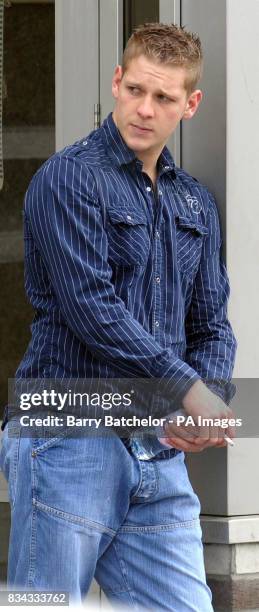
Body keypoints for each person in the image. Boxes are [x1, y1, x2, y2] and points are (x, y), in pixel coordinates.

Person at [0, 23, 237, 610]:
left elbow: (211, 324)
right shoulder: (69, 179)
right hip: (68, 435)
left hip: (157, 446)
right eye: (134, 90)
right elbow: (91, 309)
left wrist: (208, 400)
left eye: (163, 97)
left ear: (190, 104)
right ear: (116, 81)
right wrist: (186, 389)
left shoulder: (193, 202)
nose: (143, 109)